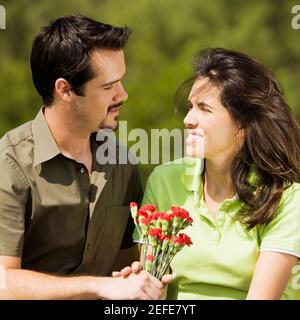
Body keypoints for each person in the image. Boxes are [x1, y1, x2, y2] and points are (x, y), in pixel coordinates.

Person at [0, 15, 171, 300]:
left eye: (121, 81)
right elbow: (3, 283)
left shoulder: (122, 163)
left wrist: (137, 278)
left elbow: (124, 264)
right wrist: (99, 285)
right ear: (65, 89)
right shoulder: (9, 164)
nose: (123, 94)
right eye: (108, 87)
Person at [141, 48, 300, 299]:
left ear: (243, 123)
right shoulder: (163, 181)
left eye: (204, 108)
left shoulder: (286, 198)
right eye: (190, 107)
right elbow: (151, 287)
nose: (188, 120)